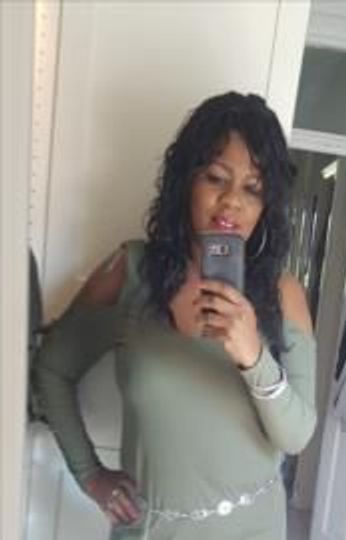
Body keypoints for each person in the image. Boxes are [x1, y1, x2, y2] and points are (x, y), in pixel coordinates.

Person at [34, 91, 317, 540]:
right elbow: (51, 368)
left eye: (253, 188)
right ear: (187, 181)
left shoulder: (284, 295)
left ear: (267, 205)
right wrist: (90, 474)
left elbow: (297, 435)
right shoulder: (132, 273)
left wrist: (253, 356)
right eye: (216, 178)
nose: (232, 201)